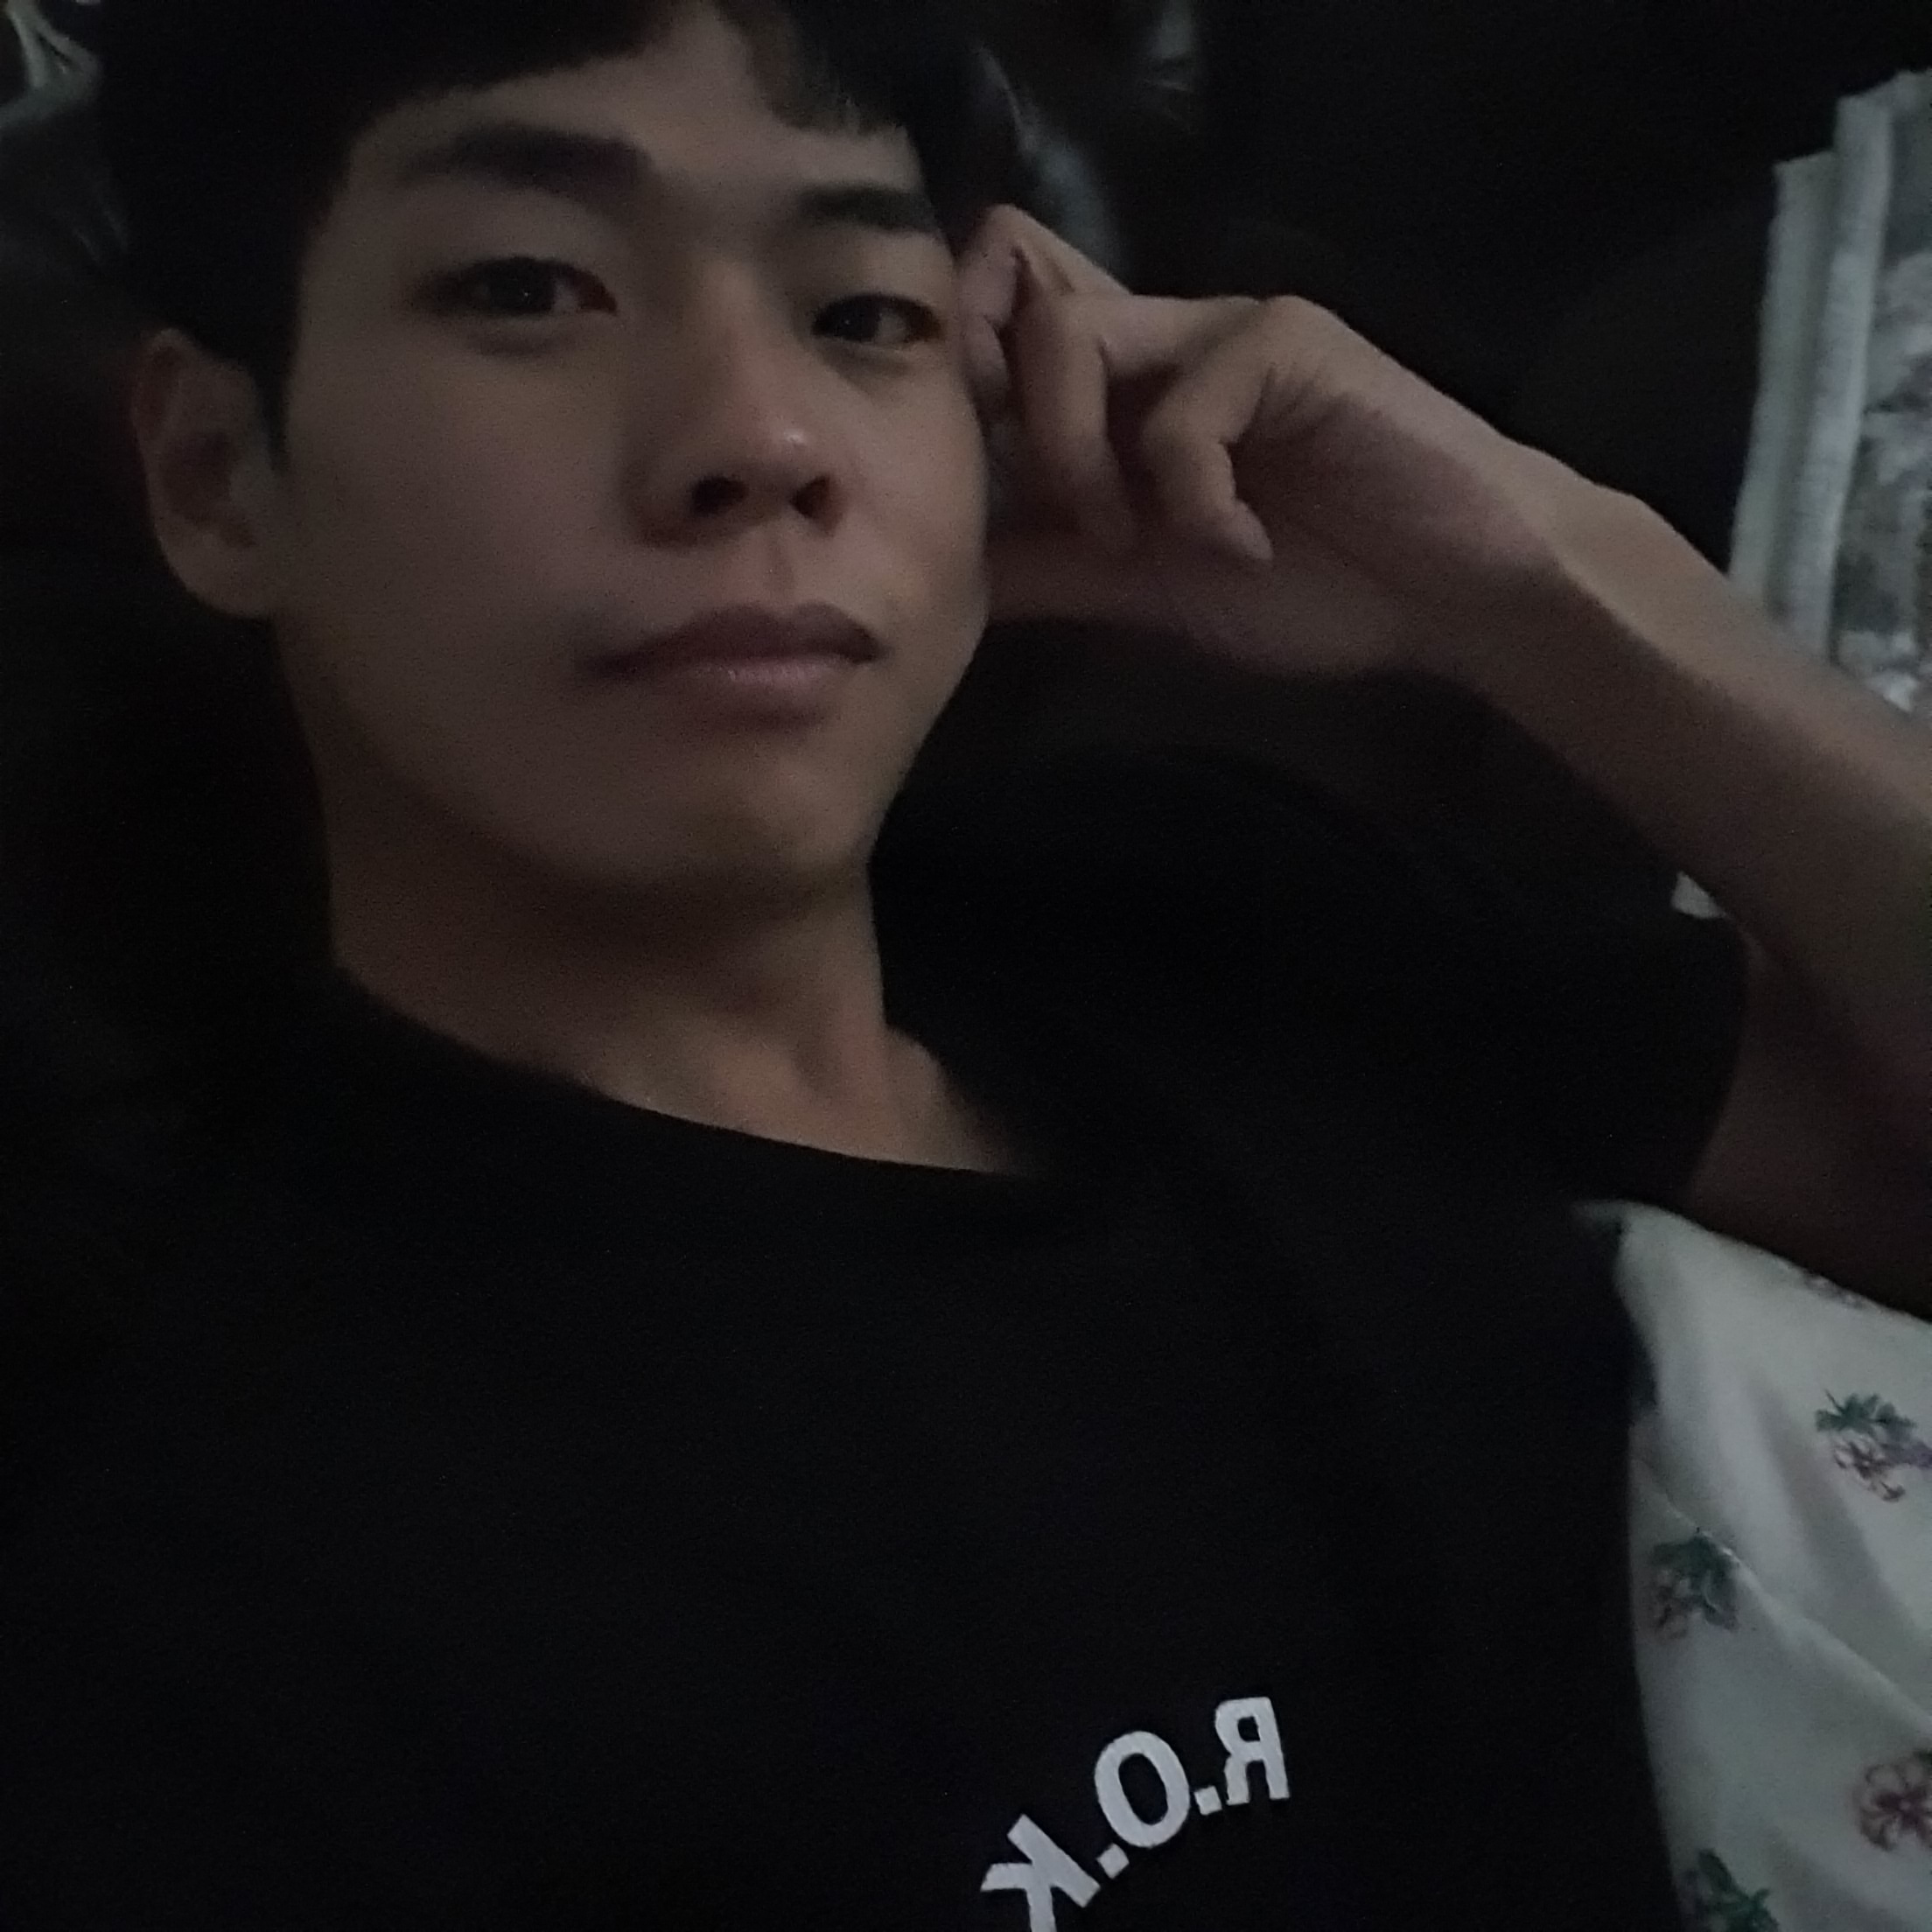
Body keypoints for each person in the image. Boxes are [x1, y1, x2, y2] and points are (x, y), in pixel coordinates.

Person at [0, 0, 1927, 1925]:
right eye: (527, 287)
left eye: (862, 315)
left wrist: (1539, 581)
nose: (760, 438)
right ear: (218, 473)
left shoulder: (1210, 908)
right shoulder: (227, 1629)